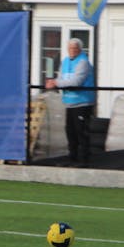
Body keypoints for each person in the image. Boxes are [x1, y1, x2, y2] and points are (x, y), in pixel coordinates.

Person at [44, 38, 96, 167]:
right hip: (69, 102)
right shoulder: (66, 61)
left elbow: (76, 81)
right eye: (70, 48)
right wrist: (54, 82)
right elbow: (61, 77)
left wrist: (56, 83)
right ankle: (72, 158)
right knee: (70, 131)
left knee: (81, 132)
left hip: (82, 103)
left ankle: (85, 160)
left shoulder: (83, 62)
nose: (72, 51)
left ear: (80, 49)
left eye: (75, 48)